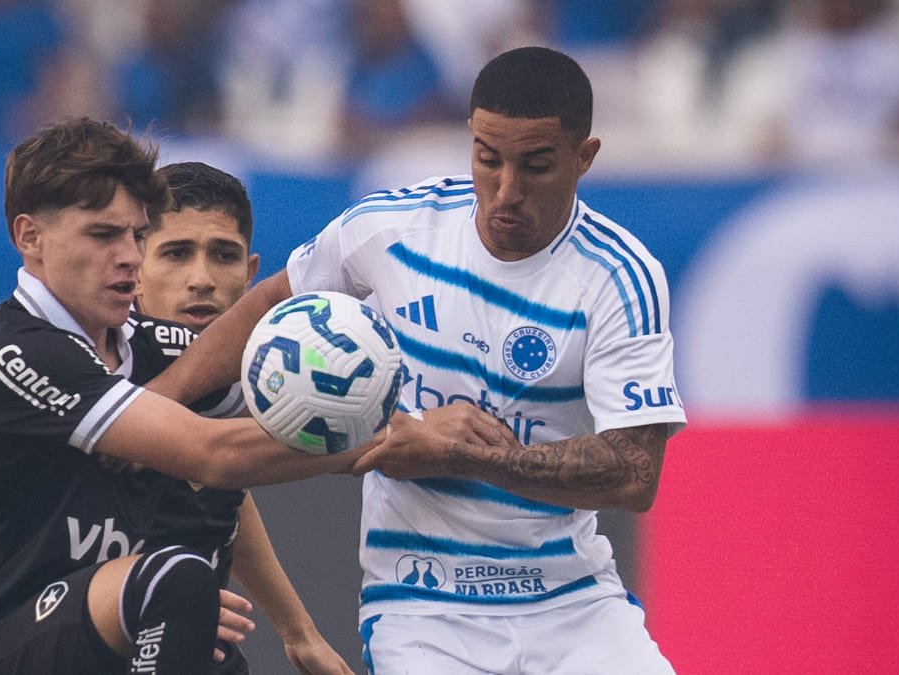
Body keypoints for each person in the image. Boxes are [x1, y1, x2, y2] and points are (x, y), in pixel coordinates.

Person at [151, 46, 687, 673]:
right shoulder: (392, 228)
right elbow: (273, 298)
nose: (505, 191)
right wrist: (151, 402)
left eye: (535, 165)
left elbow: (632, 473)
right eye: (487, 159)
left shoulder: (620, 277)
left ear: (584, 157)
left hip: (574, 605)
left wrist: (465, 455)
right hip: (421, 605)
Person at [0, 118, 505, 674]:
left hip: (107, 627)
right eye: (102, 235)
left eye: (137, 235)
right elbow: (216, 455)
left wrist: (425, 430)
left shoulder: (154, 345)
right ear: (30, 237)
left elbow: (261, 442)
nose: (127, 256)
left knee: (196, 615)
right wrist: (398, 436)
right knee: (178, 582)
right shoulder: (18, 352)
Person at [128, 160, 351, 673]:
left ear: (251, 275)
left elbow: (225, 489)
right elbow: (218, 457)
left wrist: (299, 633)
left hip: (195, 640)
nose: (201, 279)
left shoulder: (237, 373)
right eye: (177, 253)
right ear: (134, 268)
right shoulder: (103, 366)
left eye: (223, 256)